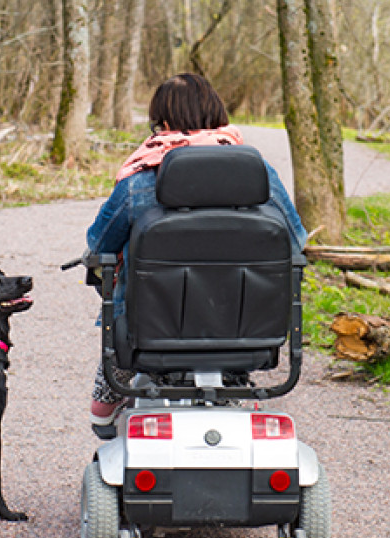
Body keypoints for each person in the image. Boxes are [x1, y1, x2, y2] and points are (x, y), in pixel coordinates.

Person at [85, 73, 308, 431]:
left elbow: (99, 245)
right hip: (248, 327)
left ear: (165, 123)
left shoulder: (141, 177)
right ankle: (232, 385)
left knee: (119, 322)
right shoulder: (258, 173)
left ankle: (105, 402)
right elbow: (296, 240)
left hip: (152, 328)